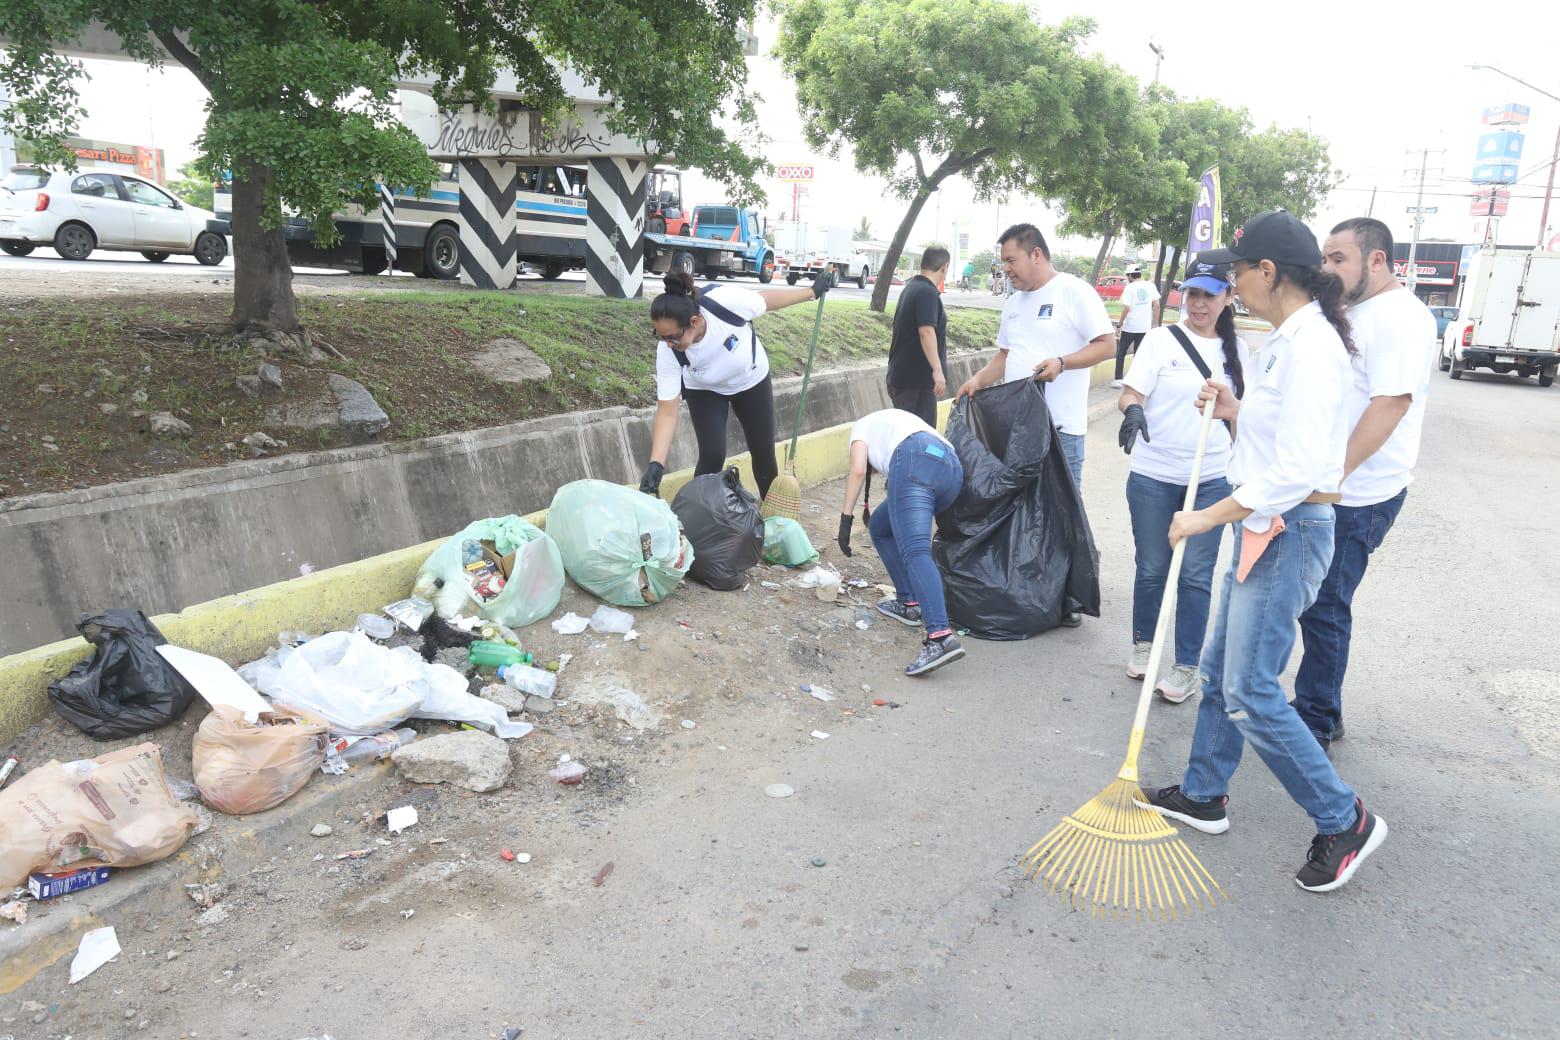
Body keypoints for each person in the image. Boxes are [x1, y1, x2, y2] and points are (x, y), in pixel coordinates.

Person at [1138, 210, 1388, 893]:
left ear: (1268, 273)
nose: (1230, 284)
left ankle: (1344, 818)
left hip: (1290, 528)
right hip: (1268, 526)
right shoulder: (1287, 339)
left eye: (1236, 272)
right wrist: (1234, 410)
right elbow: (1280, 441)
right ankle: (1205, 793)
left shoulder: (1311, 348)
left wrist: (1203, 519)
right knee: (1221, 669)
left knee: (1250, 689)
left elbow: (1298, 472)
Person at [1297, 217, 1438, 749]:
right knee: (1315, 600)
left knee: (1327, 602)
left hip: (1359, 493)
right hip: (1336, 486)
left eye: (1339, 259)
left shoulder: (1401, 318)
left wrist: (1334, 476)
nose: (1326, 269)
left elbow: (1391, 404)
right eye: (1324, 259)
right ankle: (1314, 705)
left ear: (1376, 260)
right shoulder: (1357, 309)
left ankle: (1317, 716)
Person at [1116, 259, 1246, 703]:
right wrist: (1132, 408)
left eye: (1210, 295)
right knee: (1152, 568)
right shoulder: (1158, 340)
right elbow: (1131, 392)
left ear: (1228, 297)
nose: (1199, 303)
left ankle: (1187, 665)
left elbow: (1244, 420)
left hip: (1211, 479)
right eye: (1192, 293)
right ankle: (1144, 643)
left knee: (1195, 574)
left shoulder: (1239, 353)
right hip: (1153, 475)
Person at [640, 269, 831, 499]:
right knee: (712, 455)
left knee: (763, 453)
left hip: (750, 380)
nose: (668, 343)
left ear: (694, 322)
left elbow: (765, 301)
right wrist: (656, 465)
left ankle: (773, 520)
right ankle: (697, 520)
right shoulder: (668, 351)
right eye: (661, 336)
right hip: (705, 389)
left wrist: (812, 291)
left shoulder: (725, 303)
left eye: (673, 337)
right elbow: (668, 412)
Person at [954, 223, 1116, 491]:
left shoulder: (1073, 292)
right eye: (1003, 261)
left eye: (1011, 260)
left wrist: (1062, 363)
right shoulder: (1013, 304)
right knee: (1020, 521)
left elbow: (1107, 345)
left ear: (1036, 254)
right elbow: (1006, 355)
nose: (1005, 268)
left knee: (1061, 524)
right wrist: (978, 380)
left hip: (1060, 434)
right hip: (1017, 433)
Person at [837, 408, 965, 676]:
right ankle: (909, 603)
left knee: (915, 549)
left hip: (914, 461)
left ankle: (940, 637)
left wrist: (845, 519)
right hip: (951, 468)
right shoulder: (892, 420)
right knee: (881, 527)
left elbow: (858, 470)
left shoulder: (860, 425)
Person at [886, 246, 950, 427]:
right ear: (944, 267)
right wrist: (937, 370)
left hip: (904, 379)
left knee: (909, 437)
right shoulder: (927, 293)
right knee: (920, 440)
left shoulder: (912, 288)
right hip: (915, 384)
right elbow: (926, 331)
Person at [1111, 264, 1162, 388]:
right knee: (1139, 355)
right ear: (1139, 274)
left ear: (1129, 276)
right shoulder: (1150, 286)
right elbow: (1157, 305)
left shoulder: (1130, 288)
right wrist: (1155, 324)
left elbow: (1126, 308)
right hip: (1145, 327)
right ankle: (1135, 380)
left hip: (1130, 327)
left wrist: (1119, 325)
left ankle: (1118, 379)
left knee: (1121, 353)